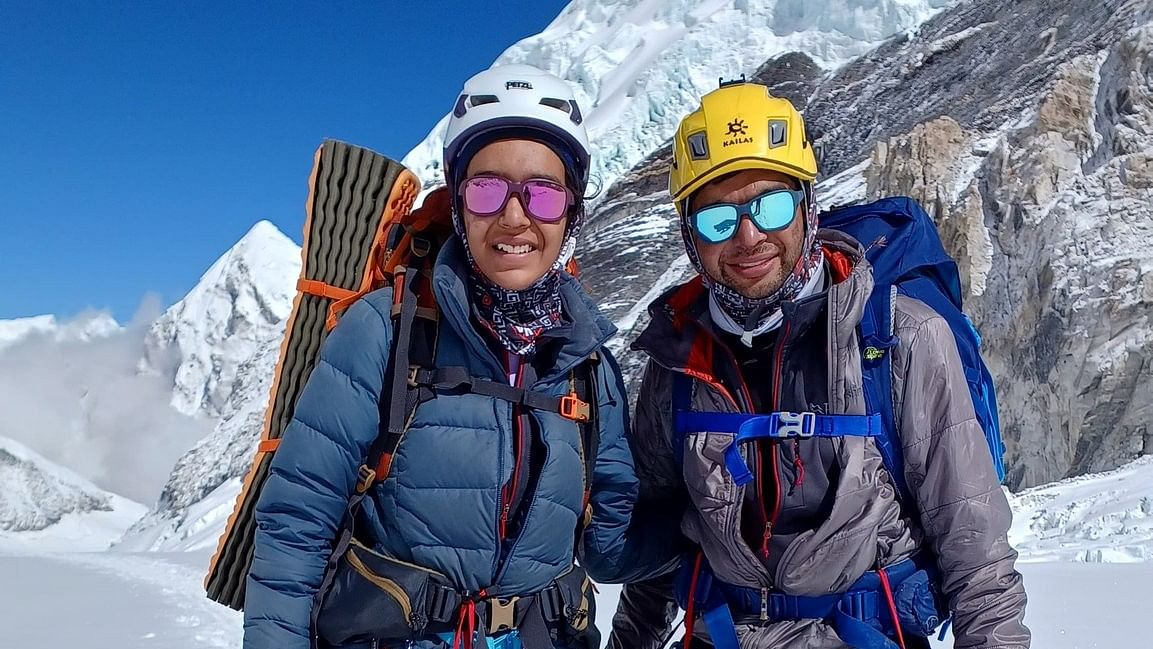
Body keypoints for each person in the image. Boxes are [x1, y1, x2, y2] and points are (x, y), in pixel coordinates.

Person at [243, 63, 666, 649]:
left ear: (571, 210)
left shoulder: (590, 368)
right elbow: (297, 522)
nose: (515, 217)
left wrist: (713, 529)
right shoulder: (385, 332)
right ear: (459, 200)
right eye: (489, 189)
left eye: (542, 193)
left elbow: (610, 545)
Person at [607, 81, 1030, 649]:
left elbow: (976, 551)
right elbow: (661, 542)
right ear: (690, 237)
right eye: (716, 220)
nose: (749, 237)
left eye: (772, 205)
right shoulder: (677, 364)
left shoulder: (901, 338)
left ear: (809, 207)